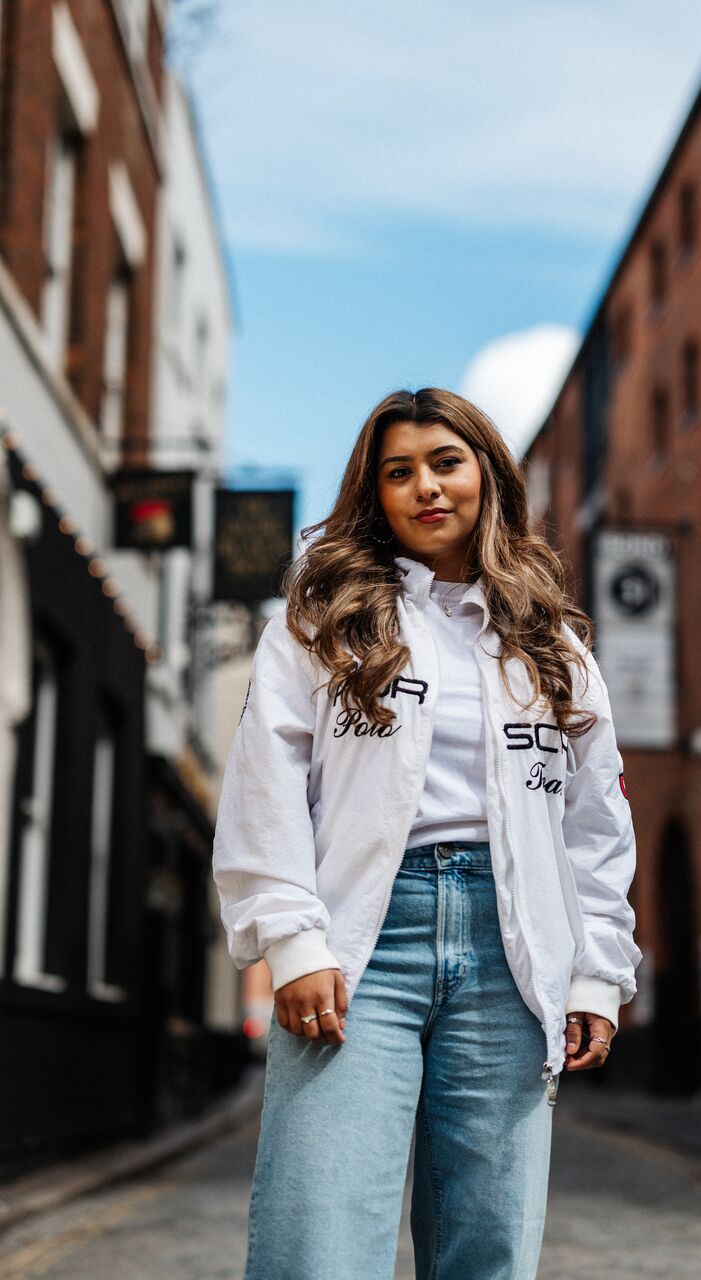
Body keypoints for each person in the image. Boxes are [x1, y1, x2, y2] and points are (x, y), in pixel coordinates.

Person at [212, 387, 642, 1280]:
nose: (426, 488)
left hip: (511, 946)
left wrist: (598, 972)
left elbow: (595, 823)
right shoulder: (317, 622)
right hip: (358, 941)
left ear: (486, 473)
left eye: (445, 463)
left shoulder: (551, 642)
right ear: (376, 496)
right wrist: (290, 941)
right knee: (319, 1236)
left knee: (487, 1244)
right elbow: (265, 783)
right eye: (398, 472)